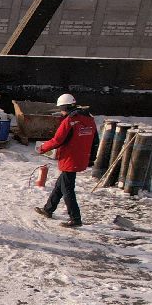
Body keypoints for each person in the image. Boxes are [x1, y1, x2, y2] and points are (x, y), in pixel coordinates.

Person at [36, 93, 98, 228]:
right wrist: (91, 158)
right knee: (61, 184)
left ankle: (75, 218)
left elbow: (57, 140)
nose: (61, 112)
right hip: (82, 157)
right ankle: (48, 209)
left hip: (70, 159)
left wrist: (42, 148)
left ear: (65, 107)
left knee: (67, 189)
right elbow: (95, 140)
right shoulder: (89, 119)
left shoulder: (70, 121)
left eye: (61, 109)